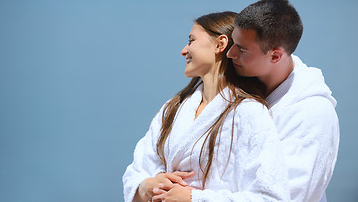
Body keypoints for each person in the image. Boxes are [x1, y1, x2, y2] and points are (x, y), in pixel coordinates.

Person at [123, 12, 290, 202]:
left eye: (191, 40)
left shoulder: (249, 112)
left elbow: (271, 197)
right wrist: (147, 186)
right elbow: (137, 172)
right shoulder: (173, 109)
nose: (184, 50)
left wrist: (194, 198)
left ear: (220, 44)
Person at [226, 0, 340, 202]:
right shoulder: (242, 86)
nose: (230, 53)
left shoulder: (312, 115)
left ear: (275, 56)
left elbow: (286, 195)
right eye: (233, 42)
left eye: (241, 49)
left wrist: (196, 198)